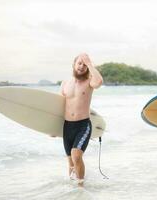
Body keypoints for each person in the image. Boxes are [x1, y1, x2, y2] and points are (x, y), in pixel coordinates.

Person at [60, 53, 103, 186]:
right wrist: (52, 129)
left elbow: (99, 82)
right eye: (80, 63)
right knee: (71, 162)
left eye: (85, 65)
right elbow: (58, 106)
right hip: (67, 126)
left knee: (76, 155)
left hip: (83, 126)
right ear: (74, 64)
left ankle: (80, 188)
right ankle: (73, 191)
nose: (82, 66)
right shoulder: (65, 83)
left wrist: (89, 64)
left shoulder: (89, 81)